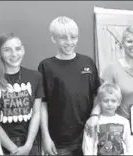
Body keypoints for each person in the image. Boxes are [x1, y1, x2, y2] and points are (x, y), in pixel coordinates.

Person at [85, 26, 133, 155]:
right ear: (122, 43)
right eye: (129, 41)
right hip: (119, 129)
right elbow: (100, 98)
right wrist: (93, 116)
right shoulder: (112, 68)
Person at [38, 16, 100, 155]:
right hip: (59, 142)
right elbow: (42, 104)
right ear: (53, 38)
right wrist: (46, 137)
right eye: (63, 38)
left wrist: (95, 116)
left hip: (88, 136)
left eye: (73, 37)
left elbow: (99, 94)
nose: (70, 42)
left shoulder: (87, 62)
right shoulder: (46, 66)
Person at [0, 32, 44, 155]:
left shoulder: (35, 77)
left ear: (23, 50)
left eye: (17, 49)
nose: (14, 54)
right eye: (7, 50)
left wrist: (28, 145)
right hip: (3, 145)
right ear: (0, 52)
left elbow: (36, 113)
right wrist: (13, 149)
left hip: (31, 143)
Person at [82, 82, 133, 155]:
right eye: (106, 101)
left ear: (118, 102)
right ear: (100, 102)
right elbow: (88, 145)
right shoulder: (94, 122)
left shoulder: (124, 122)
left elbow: (129, 145)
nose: (109, 104)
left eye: (113, 101)